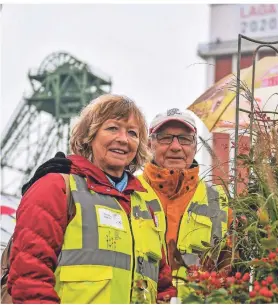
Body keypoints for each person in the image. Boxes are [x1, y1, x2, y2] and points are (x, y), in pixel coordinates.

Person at [7, 94, 176, 303]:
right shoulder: (56, 188)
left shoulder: (145, 203)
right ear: (89, 135)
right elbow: (29, 277)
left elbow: (162, 284)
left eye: (132, 133)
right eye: (112, 128)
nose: (123, 139)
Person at [137, 108, 232, 298]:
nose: (175, 146)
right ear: (149, 144)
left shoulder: (220, 201)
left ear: (195, 146)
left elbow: (230, 273)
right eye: (165, 138)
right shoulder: (128, 191)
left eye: (185, 139)